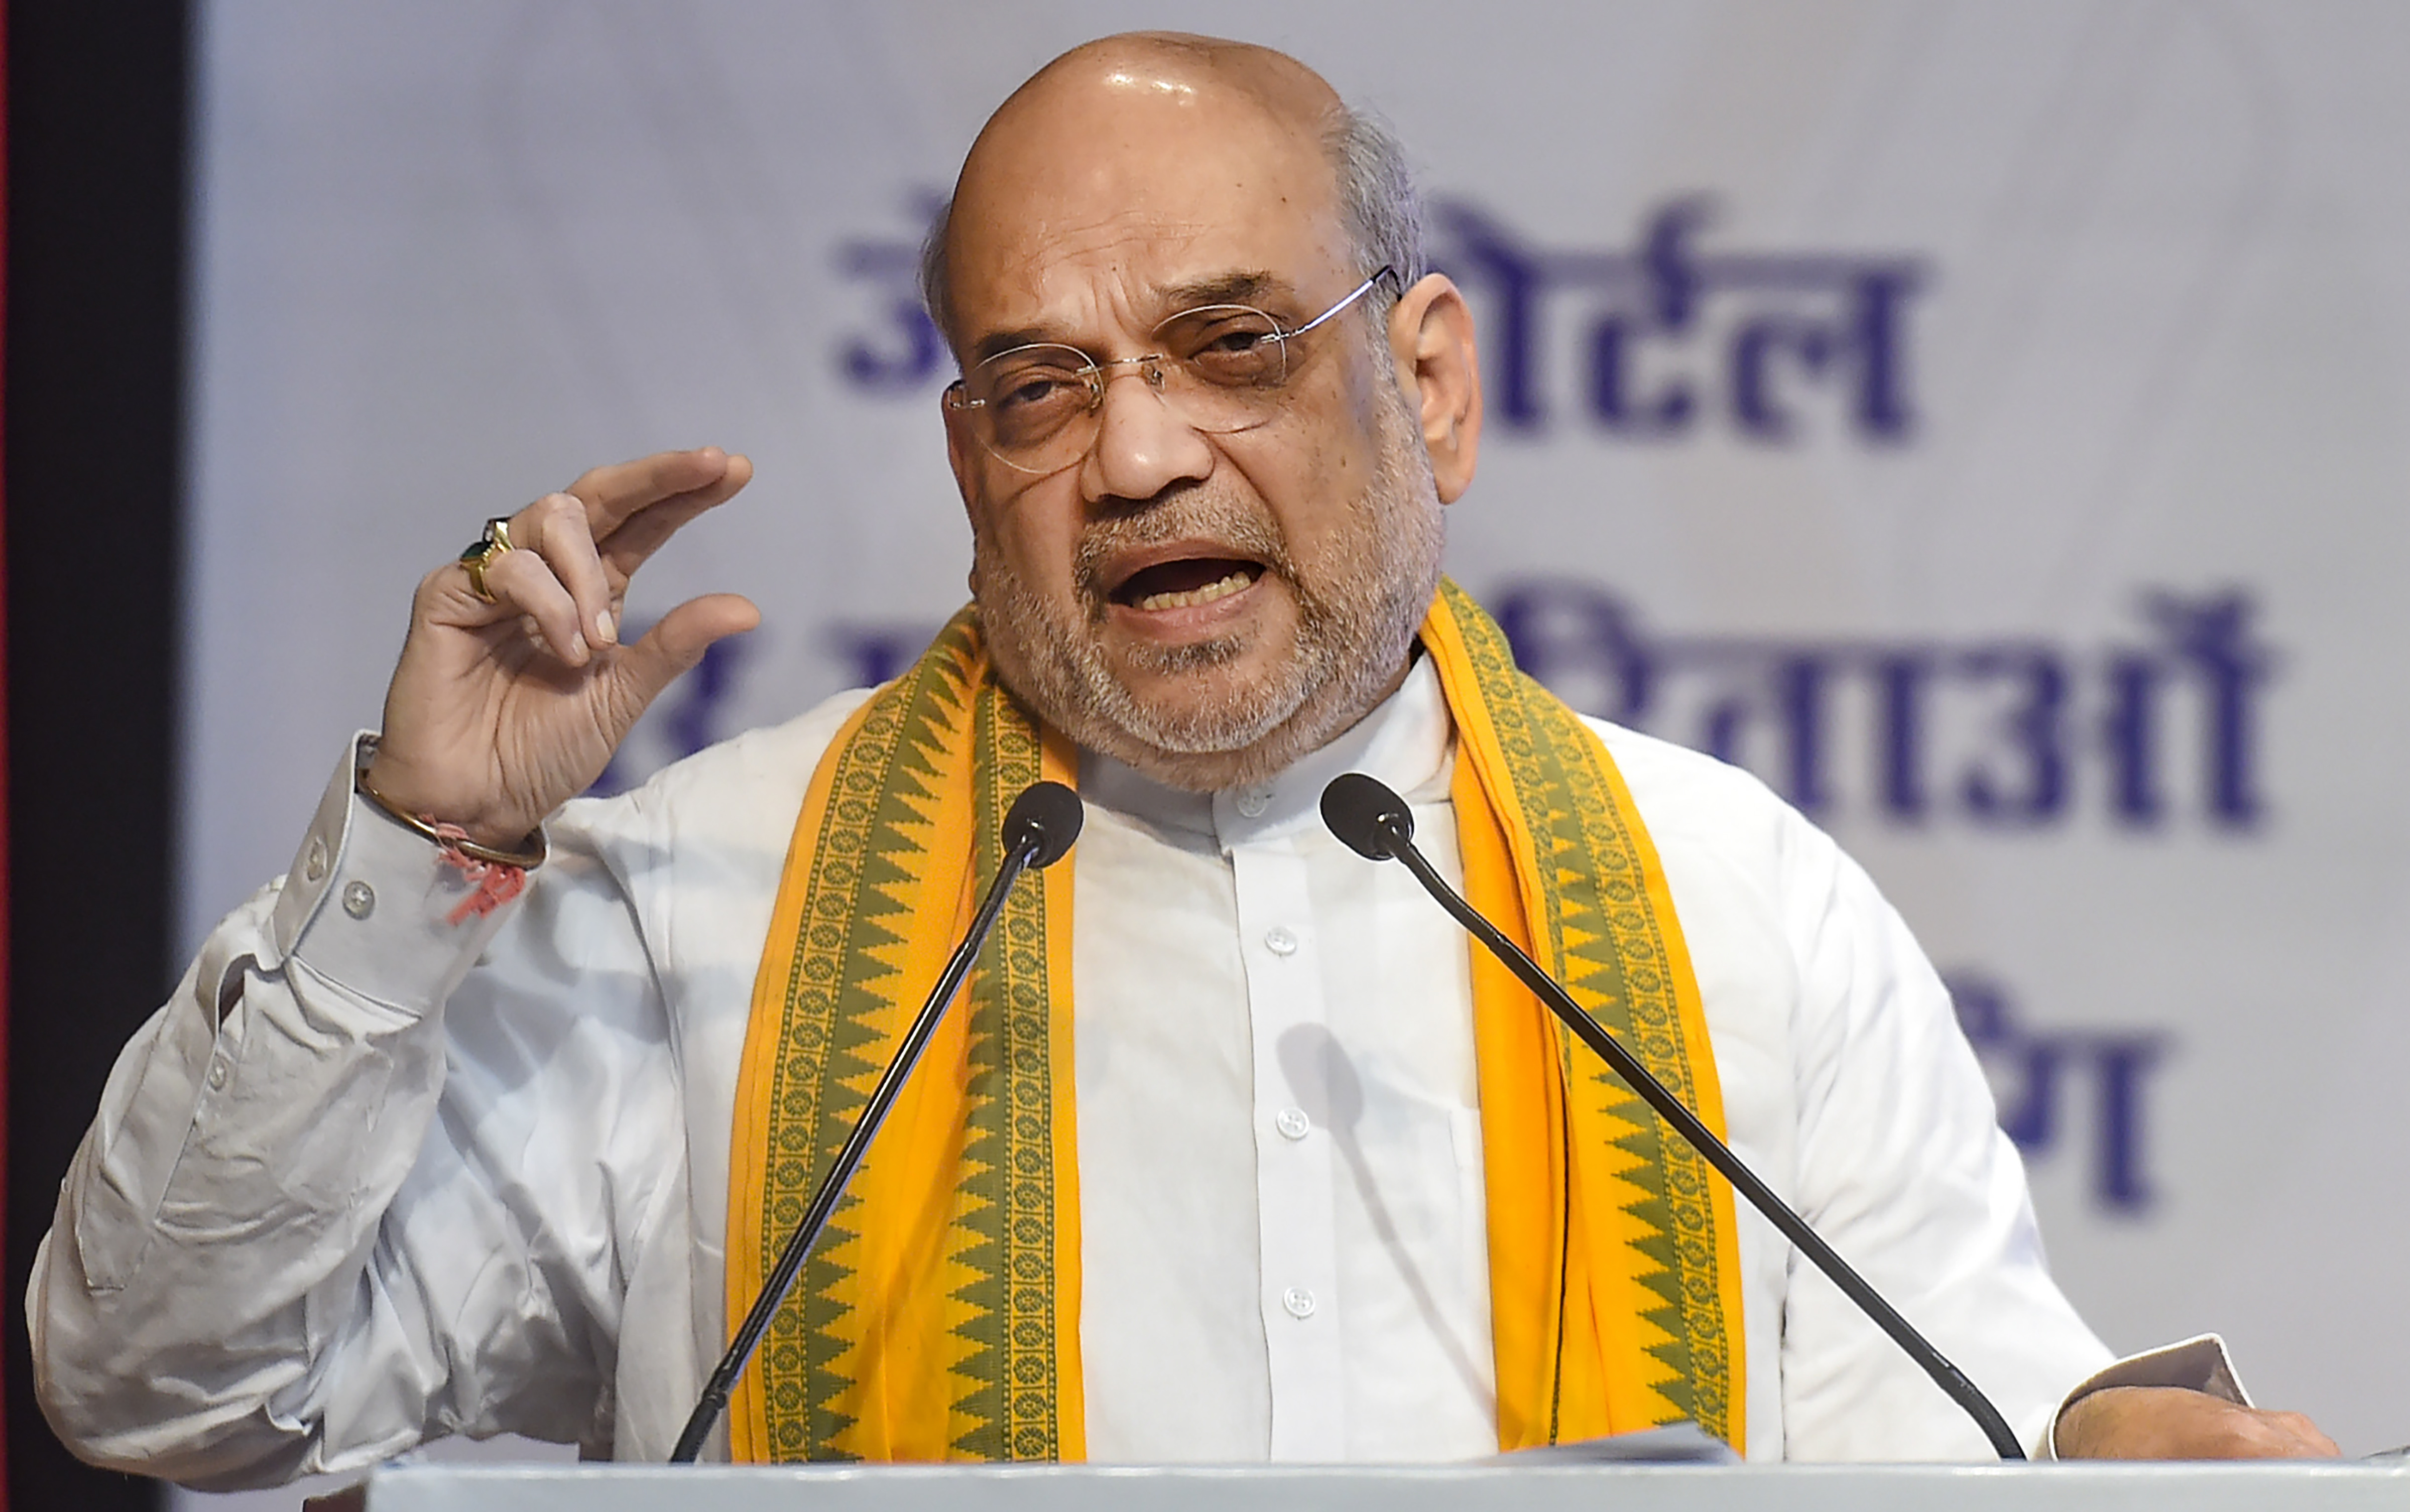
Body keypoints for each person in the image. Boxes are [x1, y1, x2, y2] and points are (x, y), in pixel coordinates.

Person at [30, 32, 2336, 1487]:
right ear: (970, 458)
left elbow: (1968, 1426)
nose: (1134, 456)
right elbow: (172, 1397)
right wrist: (418, 847)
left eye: (1230, 348)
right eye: (1041, 386)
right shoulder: (687, 910)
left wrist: (2102, 1444)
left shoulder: (1744, 906)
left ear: (1428, 385)